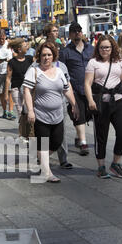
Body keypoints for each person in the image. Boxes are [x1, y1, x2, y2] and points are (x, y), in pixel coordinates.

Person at [23, 41, 79, 183]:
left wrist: (74, 104)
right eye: (43, 55)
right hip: (40, 115)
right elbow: (27, 91)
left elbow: (66, 89)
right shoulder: (34, 71)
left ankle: (41, 160)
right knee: (43, 143)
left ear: (54, 56)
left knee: (56, 141)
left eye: (49, 55)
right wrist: (30, 111)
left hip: (58, 115)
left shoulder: (59, 71)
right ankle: (47, 173)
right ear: (39, 56)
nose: (46, 58)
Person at [84, 35, 122, 179]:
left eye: (107, 47)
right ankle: (101, 166)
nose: (104, 50)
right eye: (102, 47)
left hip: (118, 102)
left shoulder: (118, 61)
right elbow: (87, 84)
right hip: (101, 103)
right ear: (98, 48)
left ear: (112, 47)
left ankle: (116, 163)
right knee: (101, 135)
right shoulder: (93, 63)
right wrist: (90, 100)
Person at [59, 22, 94, 156]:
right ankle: (84, 143)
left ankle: (80, 137)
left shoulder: (90, 49)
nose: (77, 33)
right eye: (74, 31)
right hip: (75, 89)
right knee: (78, 115)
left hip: (91, 89)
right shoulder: (65, 52)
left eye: (79, 31)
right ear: (70, 35)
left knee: (89, 114)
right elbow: (62, 70)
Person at [4, 38, 34, 138]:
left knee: (28, 110)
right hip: (16, 89)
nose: (27, 47)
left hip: (28, 89)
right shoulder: (11, 62)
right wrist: (6, 93)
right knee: (21, 112)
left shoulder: (30, 59)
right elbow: (8, 78)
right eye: (25, 46)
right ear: (19, 49)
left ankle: (30, 133)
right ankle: (22, 134)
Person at [0, 29, 15, 120]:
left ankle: (11, 111)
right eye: (0, 39)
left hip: (9, 71)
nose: (2, 40)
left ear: (5, 37)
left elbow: (14, 55)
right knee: (1, 93)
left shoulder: (9, 45)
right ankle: (4, 111)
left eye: (3, 38)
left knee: (10, 92)